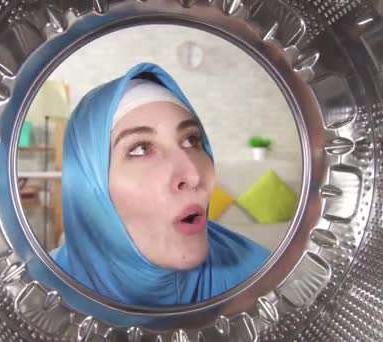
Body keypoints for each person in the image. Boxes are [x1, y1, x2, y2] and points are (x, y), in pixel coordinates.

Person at [50, 63, 270, 306]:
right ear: (89, 186)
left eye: (191, 141)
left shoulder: (268, 284)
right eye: (141, 149)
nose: (194, 175)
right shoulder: (33, 302)